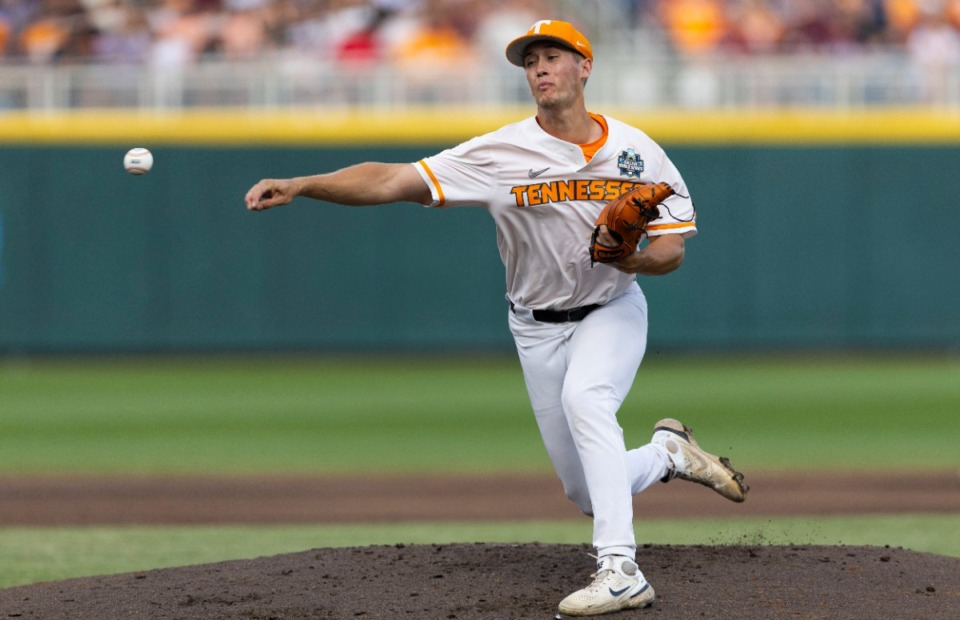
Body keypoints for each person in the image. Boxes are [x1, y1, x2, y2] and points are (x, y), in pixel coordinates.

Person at [244, 19, 748, 617]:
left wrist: (634, 256)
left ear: (585, 68)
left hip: (611, 309)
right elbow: (389, 180)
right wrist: (303, 183)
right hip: (534, 326)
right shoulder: (500, 153)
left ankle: (621, 569)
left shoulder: (639, 153)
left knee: (588, 401)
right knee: (586, 489)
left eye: (553, 56)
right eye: (530, 59)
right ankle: (669, 454)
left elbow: (673, 250)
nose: (540, 67)